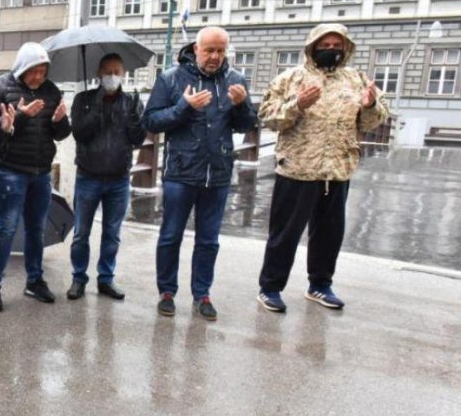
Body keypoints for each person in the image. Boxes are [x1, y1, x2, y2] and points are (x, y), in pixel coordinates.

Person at [256, 23, 388, 312]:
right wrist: (297, 104)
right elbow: (268, 117)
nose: (331, 51)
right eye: (325, 46)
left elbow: (372, 123)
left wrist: (370, 106)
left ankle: (320, 284)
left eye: (336, 46)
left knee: (329, 233)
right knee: (285, 234)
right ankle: (270, 287)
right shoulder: (291, 78)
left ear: (345, 48)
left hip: (337, 168)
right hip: (297, 167)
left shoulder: (356, 80)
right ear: (312, 47)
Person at [143, 26, 256, 321]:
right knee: (170, 236)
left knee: (209, 240)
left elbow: (246, 126)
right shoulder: (171, 78)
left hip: (217, 174)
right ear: (196, 49)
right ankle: (167, 292)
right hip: (180, 173)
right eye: (209, 50)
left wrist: (243, 105)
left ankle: (202, 294)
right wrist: (184, 106)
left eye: (221, 51)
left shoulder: (236, 81)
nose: (215, 56)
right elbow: (152, 121)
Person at [0, 42, 70, 311]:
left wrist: (60, 121)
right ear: (22, 67)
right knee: (5, 228)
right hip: (11, 170)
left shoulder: (50, 91)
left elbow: (60, 134)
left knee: (36, 228)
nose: (38, 77)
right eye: (34, 71)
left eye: (43, 71)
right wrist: (19, 116)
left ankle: (34, 280)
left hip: (41, 172)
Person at [66, 53, 145, 301]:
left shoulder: (132, 101)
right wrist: (98, 104)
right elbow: (80, 133)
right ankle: (78, 278)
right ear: (99, 74)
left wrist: (135, 117)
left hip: (118, 179)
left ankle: (106, 279)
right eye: (107, 72)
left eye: (116, 72)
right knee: (81, 234)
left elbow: (138, 138)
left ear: (123, 74)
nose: (112, 76)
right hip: (88, 176)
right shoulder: (84, 99)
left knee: (112, 233)